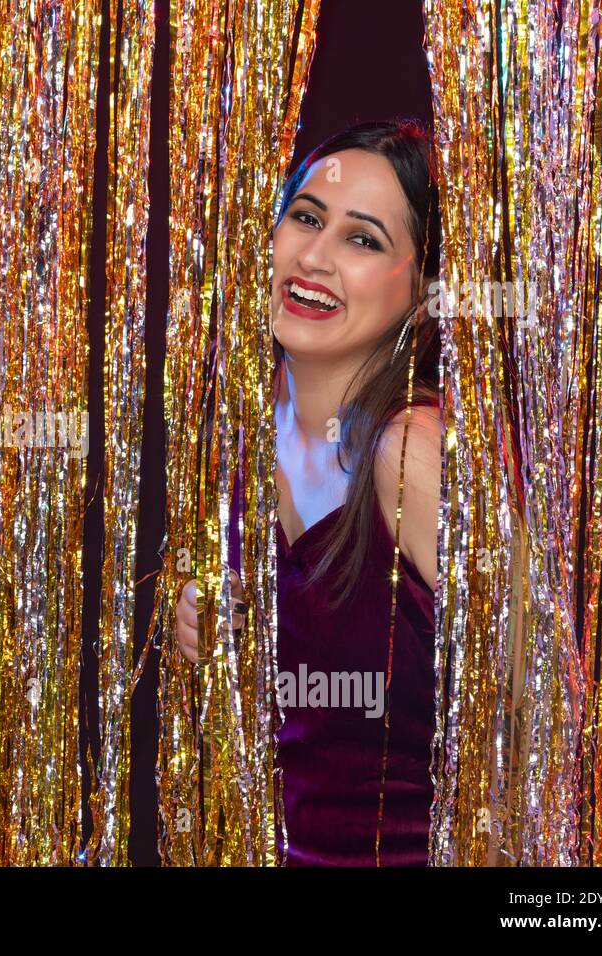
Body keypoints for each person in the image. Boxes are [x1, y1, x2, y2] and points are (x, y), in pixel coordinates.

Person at [174, 120, 444, 865]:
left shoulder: (413, 455)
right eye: (306, 217)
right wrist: (199, 626)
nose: (316, 257)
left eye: (363, 241)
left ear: (423, 291)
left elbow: (547, 712)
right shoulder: (246, 438)